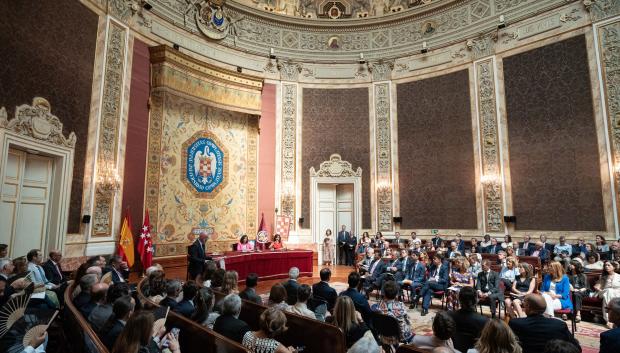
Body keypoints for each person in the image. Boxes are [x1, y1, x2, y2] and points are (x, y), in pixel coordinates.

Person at [508, 294, 580, 353]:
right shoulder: (559, 325)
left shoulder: (515, 323)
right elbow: (576, 347)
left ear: (528, 307)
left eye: (524, 304)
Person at [111, 311, 178, 353]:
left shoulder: (121, 339)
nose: (153, 330)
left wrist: (158, 338)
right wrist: (176, 349)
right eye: (152, 327)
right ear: (145, 332)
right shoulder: (143, 350)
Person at [447, 287, 488, 353]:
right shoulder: (484, 321)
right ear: (476, 300)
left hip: (453, 350)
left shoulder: (449, 316)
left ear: (459, 299)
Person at [594, 260, 620, 327]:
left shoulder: (618, 276)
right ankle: (609, 320)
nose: (606, 267)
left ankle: (613, 320)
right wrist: (599, 288)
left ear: (614, 267)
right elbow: (597, 287)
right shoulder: (603, 277)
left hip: (617, 293)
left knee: (611, 293)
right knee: (609, 291)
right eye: (605, 265)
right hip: (604, 292)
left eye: (609, 265)